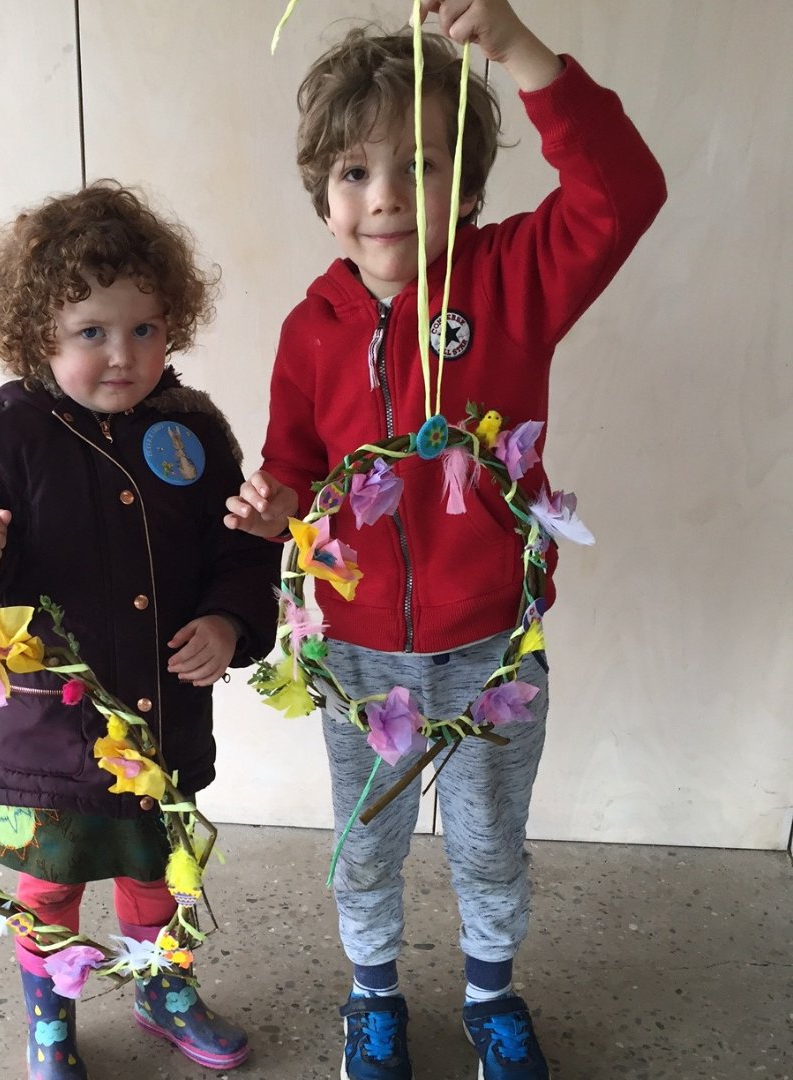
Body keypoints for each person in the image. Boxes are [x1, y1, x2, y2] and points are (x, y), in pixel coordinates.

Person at [225, 2, 666, 1078]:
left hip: (489, 648)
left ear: (465, 187)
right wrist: (274, 506)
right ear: (325, 199)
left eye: (418, 166)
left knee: (486, 845)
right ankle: (372, 1000)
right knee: (365, 843)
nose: (384, 199)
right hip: (357, 655)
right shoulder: (308, 328)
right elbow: (293, 462)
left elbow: (624, 195)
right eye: (355, 173)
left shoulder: (512, 278)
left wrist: (517, 48)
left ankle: (490, 995)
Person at [0, 181, 280, 1079]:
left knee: (158, 873)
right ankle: (51, 1011)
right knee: (51, 886)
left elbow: (241, 555)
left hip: (161, 726)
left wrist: (228, 619)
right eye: (91, 333)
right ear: (38, 336)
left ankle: (161, 985)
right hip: (45, 738)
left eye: (144, 328)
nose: (122, 354)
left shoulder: (194, 432)